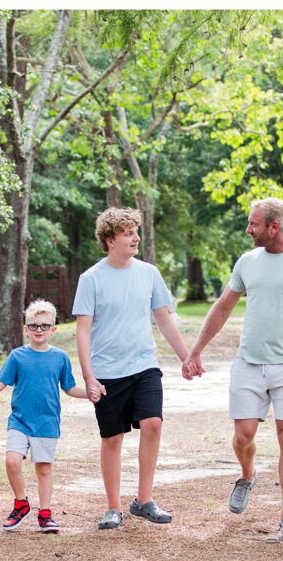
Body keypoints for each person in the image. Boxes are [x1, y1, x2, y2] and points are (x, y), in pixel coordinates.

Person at [181, 198, 283, 542]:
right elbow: (222, 308)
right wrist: (195, 351)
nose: (248, 230)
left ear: (273, 227)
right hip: (249, 362)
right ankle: (248, 475)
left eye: (254, 224)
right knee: (243, 435)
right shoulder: (247, 262)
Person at [73, 207, 194, 530]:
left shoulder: (149, 273)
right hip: (107, 372)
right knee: (112, 438)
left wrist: (186, 356)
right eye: (128, 233)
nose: (135, 238)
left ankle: (144, 500)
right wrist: (89, 377)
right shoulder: (91, 279)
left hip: (144, 365)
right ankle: (113, 507)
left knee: (153, 422)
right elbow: (82, 331)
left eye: (136, 231)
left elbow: (164, 320)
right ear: (110, 240)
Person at [0, 300, 87, 533]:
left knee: (43, 468)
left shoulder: (60, 358)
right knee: (12, 461)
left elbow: (70, 388)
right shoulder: (17, 356)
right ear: (26, 329)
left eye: (45, 326)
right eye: (34, 325)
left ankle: (45, 514)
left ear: (53, 330)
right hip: (20, 420)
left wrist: (92, 394)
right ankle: (21, 503)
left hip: (46, 422)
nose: (39, 330)